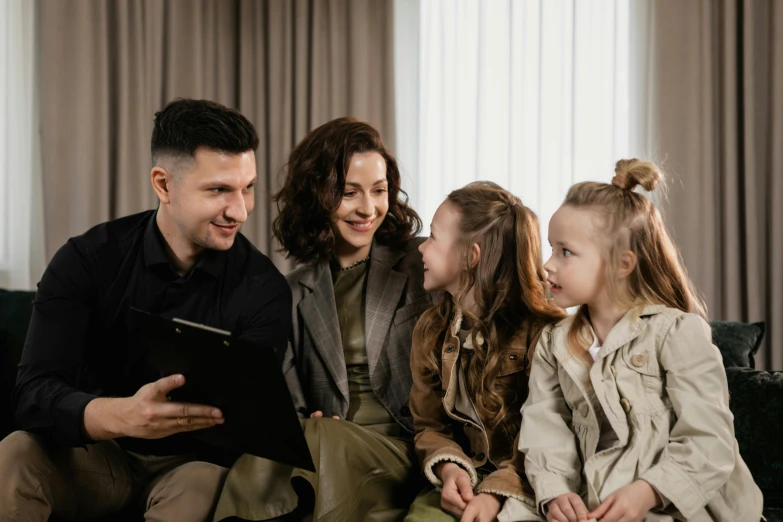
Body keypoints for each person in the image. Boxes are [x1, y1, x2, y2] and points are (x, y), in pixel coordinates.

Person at [0, 99, 292, 522]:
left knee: (202, 487)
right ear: (163, 184)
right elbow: (32, 394)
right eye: (218, 190)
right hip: (99, 456)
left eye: (246, 187)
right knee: (15, 453)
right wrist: (123, 416)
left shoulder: (265, 290)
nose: (241, 210)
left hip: (192, 469)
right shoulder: (87, 260)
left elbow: (250, 422)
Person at [500, 159, 762, 522]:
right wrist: (555, 490)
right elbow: (545, 426)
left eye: (565, 251)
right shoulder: (553, 342)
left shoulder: (677, 332)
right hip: (591, 497)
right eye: (550, 248)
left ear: (623, 264)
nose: (547, 265)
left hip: (671, 501)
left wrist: (648, 491)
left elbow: (709, 440)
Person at [214, 117, 436, 522]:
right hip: (329, 450)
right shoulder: (291, 291)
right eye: (349, 193)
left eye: (379, 191)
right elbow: (290, 406)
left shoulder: (424, 262)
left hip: (411, 449)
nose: (368, 209)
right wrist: (304, 420)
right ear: (317, 196)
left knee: (321, 437)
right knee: (306, 437)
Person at [403, 181, 566, 522]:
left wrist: (495, 494)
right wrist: (449, 468)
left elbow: (546, 437)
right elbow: (429, 425)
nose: (421, 249)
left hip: (528, 483)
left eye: (432, 237)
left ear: (470, 256)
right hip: (467, 479)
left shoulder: (545, 332)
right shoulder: (430, 329)